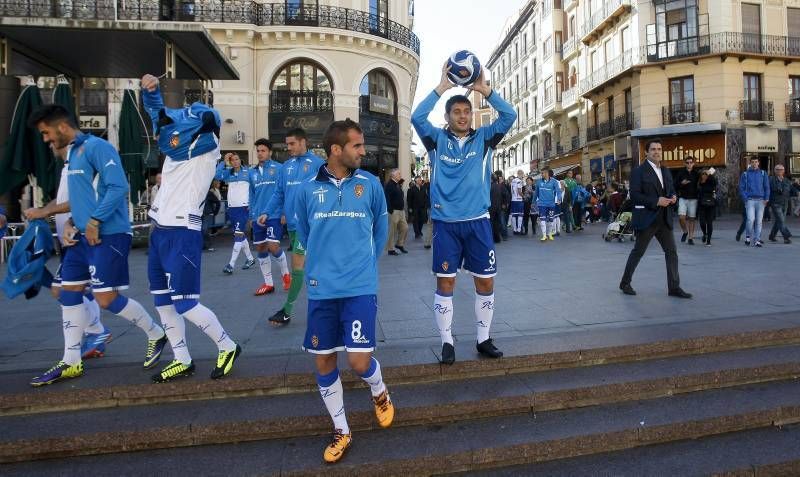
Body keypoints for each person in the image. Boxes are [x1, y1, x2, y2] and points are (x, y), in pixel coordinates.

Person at [27, 104, 167, 386]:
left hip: (109, 234)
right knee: (67, 291)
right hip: (81, 235)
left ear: (62, 127)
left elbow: (118, 187)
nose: (46, 140)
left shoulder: (97, 147)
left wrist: (92, 221)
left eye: (46, 133)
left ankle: (156, 334)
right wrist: (69, 222)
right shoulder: (73, 155)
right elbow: (82, 198)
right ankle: (71, 361)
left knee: (105, 299)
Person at [295, 119, 394, 463]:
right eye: (357, 146)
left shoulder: (370, 185)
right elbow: (304, 233)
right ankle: (342, 429)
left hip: (359, 286)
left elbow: (381, 228)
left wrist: (365, 262)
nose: (363, 152)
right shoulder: (306, 189)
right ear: (336, 150)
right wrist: (320, 266)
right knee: (324, 360)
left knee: (358, 360)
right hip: (322, 290)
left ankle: (379, 391)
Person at [411, 61, 516, 365]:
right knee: (445, 284)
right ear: (447, 116)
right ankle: (447, 342)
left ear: (471, 115)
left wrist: (486, 90)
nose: (462, 116)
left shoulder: (484, 139)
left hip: (478, 224)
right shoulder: (435, 140)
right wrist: (442, 87)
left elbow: (510, 115)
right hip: (446, 225)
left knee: (485, 283)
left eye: (466, 111)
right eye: (456, 112)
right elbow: (417, 116)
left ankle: (483, 339)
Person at [141, 73, 241, 383]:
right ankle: (181, 358)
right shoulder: (174, 149)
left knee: (184, 302)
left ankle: (227, 345)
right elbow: (159, 115)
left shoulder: (207, 147)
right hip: (159, 231)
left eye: (182, 122)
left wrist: (194, 108)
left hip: (183, 232)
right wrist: (152, 91)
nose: (171, 130)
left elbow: (210, 117)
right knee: (162, 301)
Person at [24, 143, 108, 361]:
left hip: (81, 238)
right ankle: (93, 335)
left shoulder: (84, 166)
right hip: (70, 237)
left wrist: (45, 211)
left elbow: (80, 201)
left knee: (63, 290)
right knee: (76, 291)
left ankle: (96, 332)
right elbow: (62, 200)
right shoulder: (68, 167)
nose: (49, 144)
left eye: (51, 139)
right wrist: (45, 211)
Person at [262, 128, 326, 326]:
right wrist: (267, 211)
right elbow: (279, 193)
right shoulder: (285, 166)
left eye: (292, 144)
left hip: (308, 223)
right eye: (287, 144)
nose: (288, 148)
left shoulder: (317, 163)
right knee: (308, 266)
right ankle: (327, 303)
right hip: (291, 223)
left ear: (303, 142)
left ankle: (287, 311)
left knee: (298, 265)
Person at [619, 138, 691, 299]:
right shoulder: (638, 171)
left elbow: (671, 189)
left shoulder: (665, 170)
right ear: (646, 152)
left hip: (664, 218)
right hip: (647, 219)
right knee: (638, 252)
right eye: (653, 149)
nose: (657, 152)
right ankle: (625, 282)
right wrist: (656, 201)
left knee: (672, 252)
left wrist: (673, 197)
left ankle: (674, 287)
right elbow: (635, 196)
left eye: (659, 149)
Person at [249, 138, 290, 296]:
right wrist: (252, 216)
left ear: (270, 152)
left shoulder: (279, 168)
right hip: (258, 217)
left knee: (273, 246)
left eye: (263, 150)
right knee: (260, 248)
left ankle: (286, 274)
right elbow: (252, 196)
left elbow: (284, 192)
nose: (260, 153)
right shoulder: (252, 172)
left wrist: (284, 212)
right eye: (258, 151)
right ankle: (268, 284)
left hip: (274, 215)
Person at [215, 152, 256, 274]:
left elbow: (255, 190)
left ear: (240, 160)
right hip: (232, 208)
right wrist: (224, 160)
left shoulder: (248, 172)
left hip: (243, 208)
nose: (235, 161)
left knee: (238, 235)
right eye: (232, 160)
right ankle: (250, 259)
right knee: (239, 234)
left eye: (237, 159)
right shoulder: (228, 173)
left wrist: (252, 206)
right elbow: (217, 175)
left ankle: (231, 265)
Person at [739, 157, 770, 248]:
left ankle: (757, 240)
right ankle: (748, 236)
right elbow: (741, 188)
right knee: (750, 220)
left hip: (761, 200)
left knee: (759, 221)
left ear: (758, 163)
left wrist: (766, 198)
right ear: (750, 163)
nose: (754, 164)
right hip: (750, 200)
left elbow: (767, 187)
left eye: (756, 162)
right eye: (752, 162)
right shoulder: (745, 174)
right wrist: (745, 198)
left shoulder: (763, 173)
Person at [674, 156, 700, 245]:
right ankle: (685, 231)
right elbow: (675, 185)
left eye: (690, 162)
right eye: (687, 162)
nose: (689, 164)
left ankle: (690, 238)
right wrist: (682, 183)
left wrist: (709, 173)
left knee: (692, 219)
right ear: (685, 163)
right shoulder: (681, 173)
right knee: (681, 218)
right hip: (683, 198)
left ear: (693, 163)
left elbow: (703, 182)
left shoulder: (696, 174)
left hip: (693, 199)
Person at [384, 169, 409, 255]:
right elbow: (386, 199)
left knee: (405, 228)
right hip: (393, 211)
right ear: (393, 175)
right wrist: (390, 210)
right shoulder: (389, 185)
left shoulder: (397, 185)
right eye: (398, 174)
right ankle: (390, 249)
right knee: (392, 231)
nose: (400, 175)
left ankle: (399, 244)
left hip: (401, 211)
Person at [535, 168, 562, 241]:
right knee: (542, 220)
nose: (541, 174)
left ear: (547, 173)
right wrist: (533, 202)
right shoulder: (538, 182)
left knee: (551, 220)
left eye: (542, 173)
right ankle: (544, 235)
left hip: (551, 204)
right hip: (542, 204)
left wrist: (559, 198)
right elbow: (536, 193)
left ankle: (549, 233)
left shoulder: (554, 182)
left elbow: (558, 191)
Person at [768, 164, 793, 244]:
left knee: (779, 221)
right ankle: (786, 237)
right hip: (775, 203)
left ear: (784, 171)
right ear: (775, 171)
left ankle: (772, 236)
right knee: (781, 220)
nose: (779, 171)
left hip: (785, 203)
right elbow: (775, 189)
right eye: (778, 169)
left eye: (781, 169)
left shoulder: (787, 180)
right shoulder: (771, 180)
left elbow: (790, 190)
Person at [696, 168, 718, 246]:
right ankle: (704, 234)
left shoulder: (711, 182)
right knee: (702, 222)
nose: (704, 175)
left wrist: (710, 174)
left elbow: (715, 182)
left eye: (706, 174)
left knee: (709, 222)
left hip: (711, 204)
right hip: (702, 204)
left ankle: (708, 240)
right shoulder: (699, 183)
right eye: (703, 174)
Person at [202, 181, 220, 251]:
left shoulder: (209, 193)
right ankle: (203, 245)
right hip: (201, 214)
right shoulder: (199, 193)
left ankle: (207, 245)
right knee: (202, 230)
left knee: (204, 229)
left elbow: (218, 202)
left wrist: (215, 212)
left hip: (208, 214)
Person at [510, 170, 525, 234]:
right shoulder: (519, 181)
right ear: (520, 174)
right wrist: (523, 196)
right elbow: (519, 191)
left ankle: (515, 229)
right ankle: (519, 229)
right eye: (522, 175)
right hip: (518, 200)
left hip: (513, 199)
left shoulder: (513, 181)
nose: (523, 176)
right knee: (520, 214)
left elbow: (511, 191)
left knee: (513, 215)